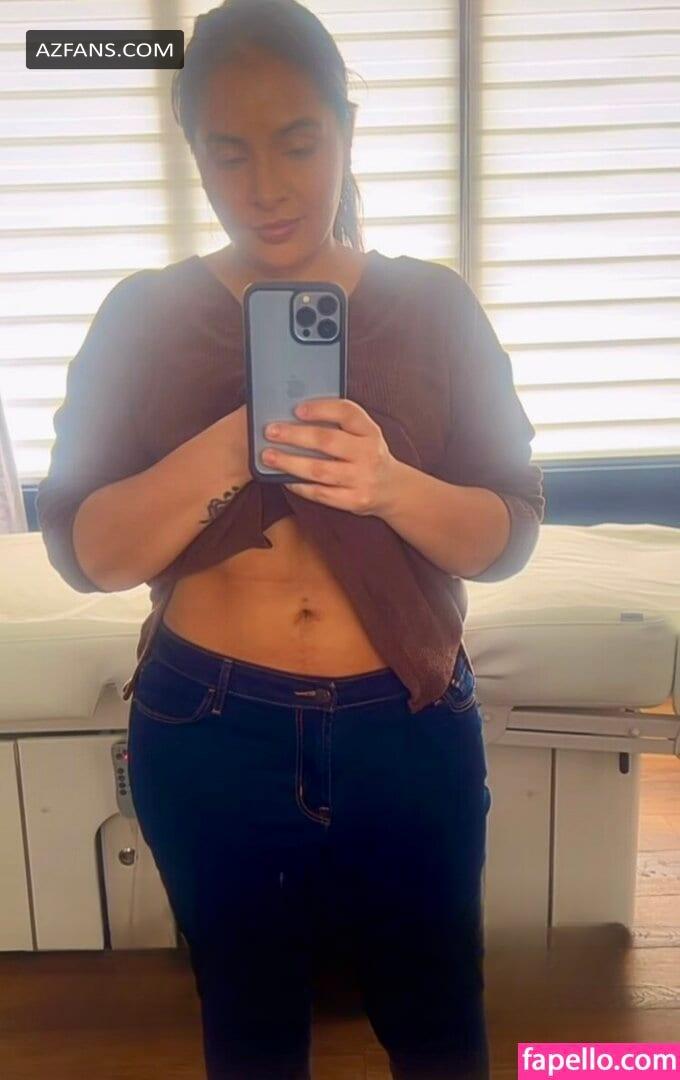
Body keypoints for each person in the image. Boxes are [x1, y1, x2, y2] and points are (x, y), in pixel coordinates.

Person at [36, 1, 545, 1077]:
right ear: (195, 155)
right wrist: (235, 443)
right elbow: (87, 553)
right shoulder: (143, 315)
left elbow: (506, 533)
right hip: (210, 726)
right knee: (251, 1041)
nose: (264, 185)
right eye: (229, 152)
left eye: (298, 142)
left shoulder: (433, 307)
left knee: (441, 1033)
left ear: (345, 132)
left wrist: (389, 486)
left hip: (406, 723)